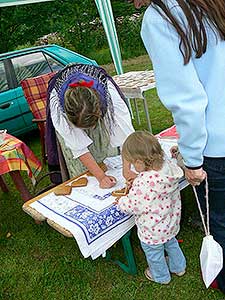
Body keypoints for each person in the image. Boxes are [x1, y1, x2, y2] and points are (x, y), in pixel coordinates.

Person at [130, 0, 225, 293]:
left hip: (216, 148)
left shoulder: (161, 16)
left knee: (221, 226)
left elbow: (188, 100)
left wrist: (193, 161)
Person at [46, 63, 134, 189]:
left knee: (110, 159)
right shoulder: (58, 105)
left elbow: (125, 136)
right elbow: (78, 147)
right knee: (83, 175)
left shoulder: (110, 95)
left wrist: (127, 169)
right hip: (67, 105)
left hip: (100, 102)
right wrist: (101, 177)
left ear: (99, 111)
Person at [116, 131, 186, 284]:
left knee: (154, 254)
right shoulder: (167, 167)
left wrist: (121, 202)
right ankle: (179, 267)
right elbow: (153, 189)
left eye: (134, 163)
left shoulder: (144, 183)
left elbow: (134, 205)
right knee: (171, 243)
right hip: (170, 223)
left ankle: (161, 276)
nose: (133, 167)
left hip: (152, 230)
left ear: (140, 161)